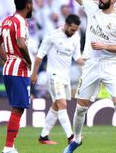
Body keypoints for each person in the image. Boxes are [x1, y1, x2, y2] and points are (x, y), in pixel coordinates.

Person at [50, 0, 116, 153]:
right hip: (92, 64)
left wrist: (105, 46)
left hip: (112, 64)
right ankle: (76, 140)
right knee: (81, 108)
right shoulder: (92, 7)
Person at [31, 14, 85, 145]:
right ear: (66, 25)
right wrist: (34, 74)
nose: (73, 32)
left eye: (76, 30)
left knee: (56, 106)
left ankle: (43, 136)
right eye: (72, 29)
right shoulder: (52, 36)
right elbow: (39, 56)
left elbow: (77, 57)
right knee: (62, 104)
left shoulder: (75, 38)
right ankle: (71, 137)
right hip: (53, 75)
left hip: (65, 77)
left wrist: (89, 64)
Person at [0, 0, 33, 153]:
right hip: (18, 70)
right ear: (28, 5)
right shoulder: (20, 22)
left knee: (18, 108)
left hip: (9, 68)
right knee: (18, 108)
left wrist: (7, 59)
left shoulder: (7, 21)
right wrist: (28, 62)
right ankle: (8, 147)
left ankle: (10, 146)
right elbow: (21, 44)